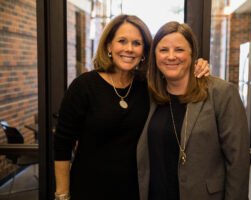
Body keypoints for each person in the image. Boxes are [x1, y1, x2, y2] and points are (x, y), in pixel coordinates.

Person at [53, 15, 210, 200]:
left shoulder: (149, 86)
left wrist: (197, 65)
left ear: (144, 51)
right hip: (90, 189)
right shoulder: (84, 86)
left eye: (136, 43)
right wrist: (62, 195)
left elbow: (176, 72)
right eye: (122, 41)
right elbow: (63, 143)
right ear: (109, 46)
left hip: (138, 191)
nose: (129, 49)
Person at [137, 21, 250, 200]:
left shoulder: (222, 93)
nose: (171, 56)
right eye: (163, 50)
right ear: (155, 56)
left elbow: (238, 162)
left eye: (179, 50)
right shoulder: (150, 95)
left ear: (192, 54)